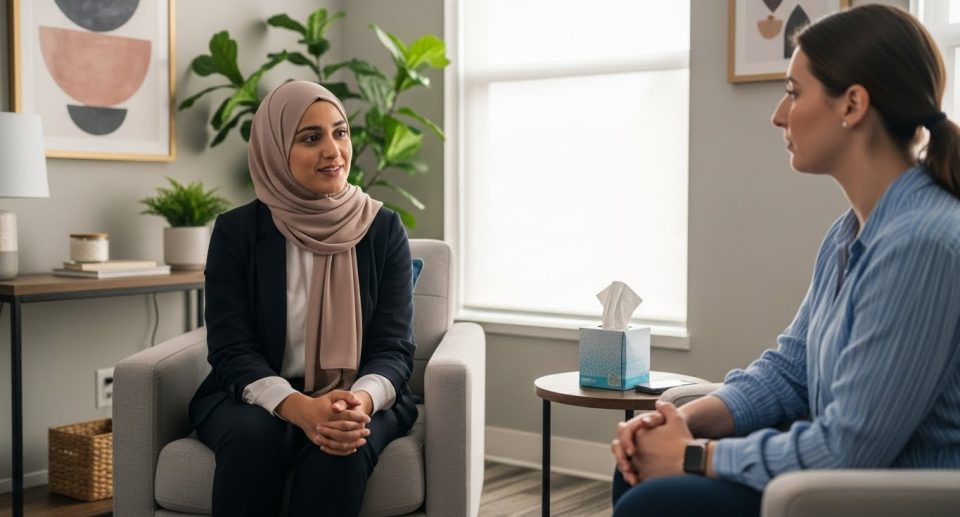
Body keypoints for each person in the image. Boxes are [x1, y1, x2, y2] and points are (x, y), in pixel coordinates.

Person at [610, 5, 960, 516]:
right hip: (842, 480)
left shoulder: (921, 244)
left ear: (853, 105)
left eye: (794, 92)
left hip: (892, 497)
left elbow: (847, 448)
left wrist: (691, 456)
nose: (779, 113)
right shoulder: (848, 233)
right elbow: (792, 370)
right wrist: (681, 419)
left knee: (657, 501)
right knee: (636, 474)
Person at [188, 80, 418, 517]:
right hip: (253, 395)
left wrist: (359, 403)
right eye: (311, 138)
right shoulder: (237, 232)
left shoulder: (384, 228)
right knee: (254, 439)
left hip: (358, 391)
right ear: (275, 150)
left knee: (343, 447)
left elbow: (394, 348)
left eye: (340, 132)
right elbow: (231, 348)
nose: (333, 150)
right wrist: (298, 408)